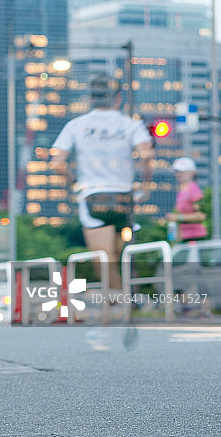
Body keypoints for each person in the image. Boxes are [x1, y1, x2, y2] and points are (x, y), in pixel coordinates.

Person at [51, 73, 154, 291]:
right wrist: (145, 186)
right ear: (117, 98)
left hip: (92, 196)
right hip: (124, 198)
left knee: (102, 257)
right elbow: (146, 155)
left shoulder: (76, 125)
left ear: (90, 99)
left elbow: (57, 162)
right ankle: (127, 299)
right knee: (118, 255)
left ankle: (118, 302)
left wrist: (73, 183)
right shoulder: (130, 125)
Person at [166, 157, 207, 242]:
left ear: (192, 173)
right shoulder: (183, 190)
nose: (178, 174)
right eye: (177, 172)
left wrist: (178, 217)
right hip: (185, 237)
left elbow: (201, 215)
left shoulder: (194, 190)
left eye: (182, 172)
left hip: (195, 237)